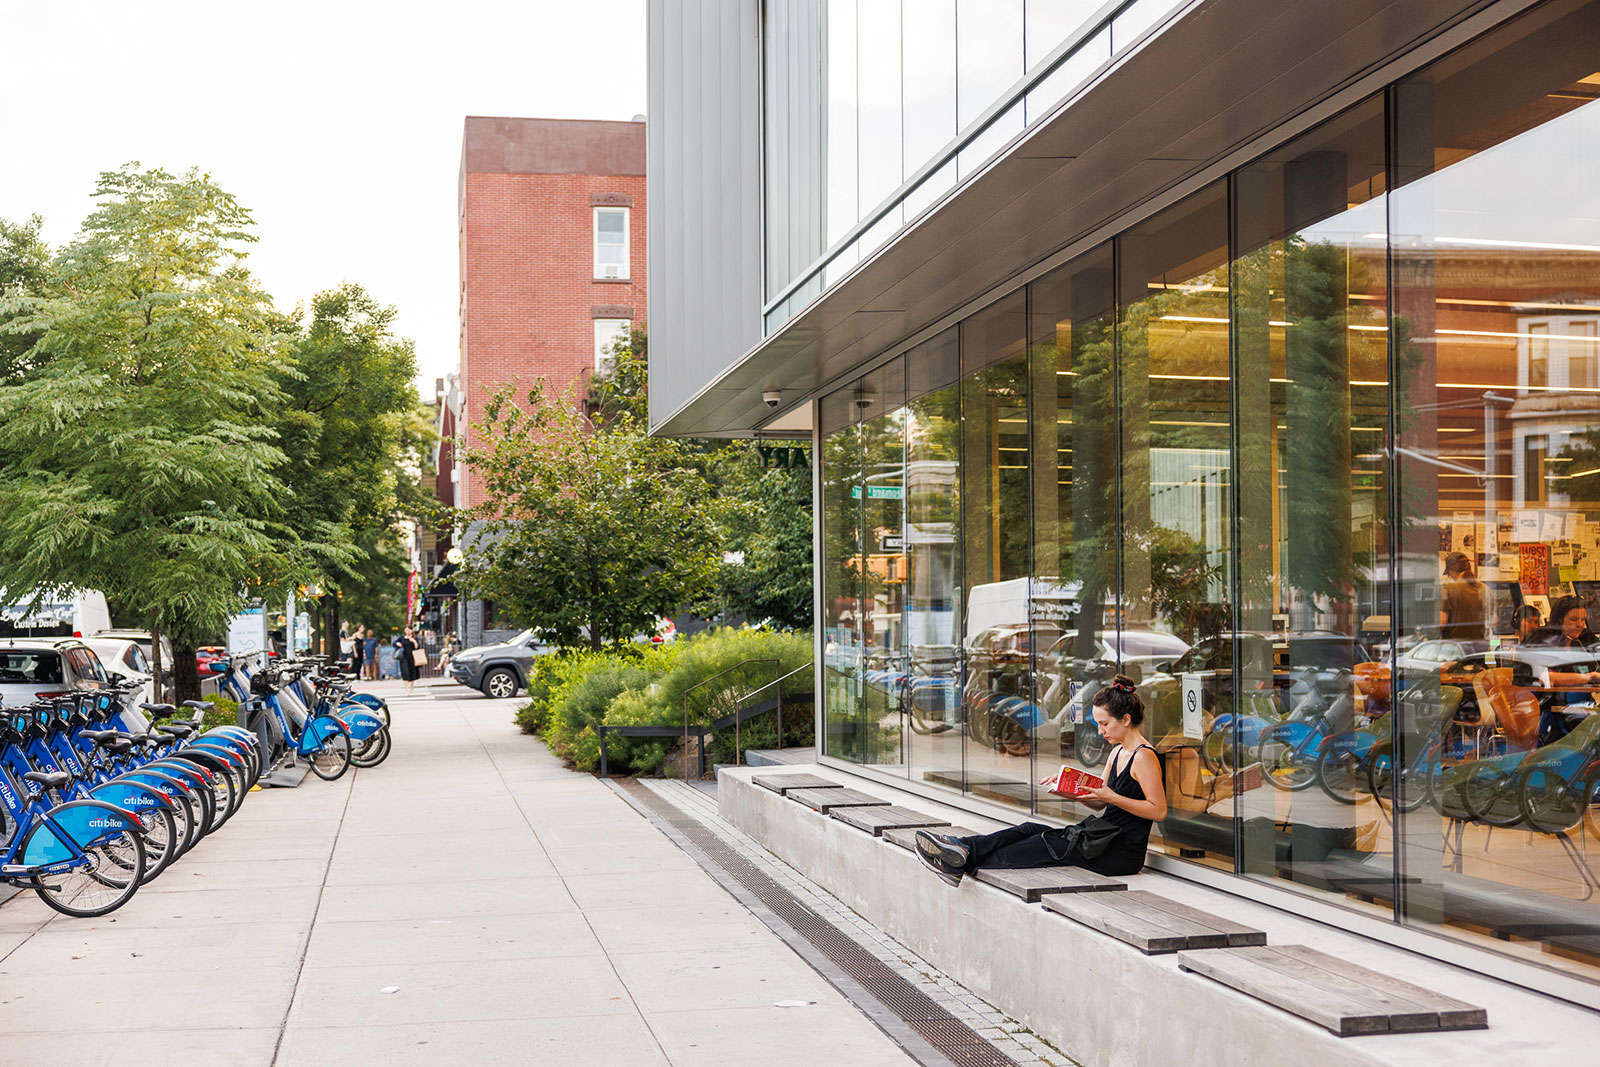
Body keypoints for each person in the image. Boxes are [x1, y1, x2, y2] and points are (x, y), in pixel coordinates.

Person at [914, 676, 1167, 886]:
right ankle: (960, 849)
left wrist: (1111, 797)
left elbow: (1158, 810)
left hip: (1117, 852)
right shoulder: (1118, 751)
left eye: (1104, 724)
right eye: (1098, 724)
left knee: (1038, 844)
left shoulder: (1144, 756)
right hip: (1096, 838)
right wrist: (1072, 791)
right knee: (1029, 829)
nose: (1100, 731)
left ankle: (956, 860)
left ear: (1125, 719)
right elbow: (1100, 802)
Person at [1531, 595, 1600, 744]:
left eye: (1583, 619)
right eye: (1574, 619)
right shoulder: (1543, 639)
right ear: (1559, 620)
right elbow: (1546, 678)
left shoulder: (1583, 639)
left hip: (1579, 706)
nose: (1580, 625)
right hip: (1550, 710)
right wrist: (1588, 677)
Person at [1439, 551, 1489, 641]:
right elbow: (1494, 620)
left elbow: (1441, 623)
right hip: (1479, 648)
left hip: (1456, 649)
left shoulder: (1448, 589)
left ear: (1450, 571)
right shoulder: (1485, 588)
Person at [397, 627, 422, 695]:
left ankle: (412, 687)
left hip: (412, 657)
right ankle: (406, 689)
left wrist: (414, 641)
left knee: (412, 672)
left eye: (409, 630)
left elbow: (418, 647)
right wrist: (397, 644)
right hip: (404, 657)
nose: (407, 631)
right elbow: (395, 643)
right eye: (406, 630)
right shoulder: (402, 637)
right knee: (405, 672)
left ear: (411, 630)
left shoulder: (414, 637)